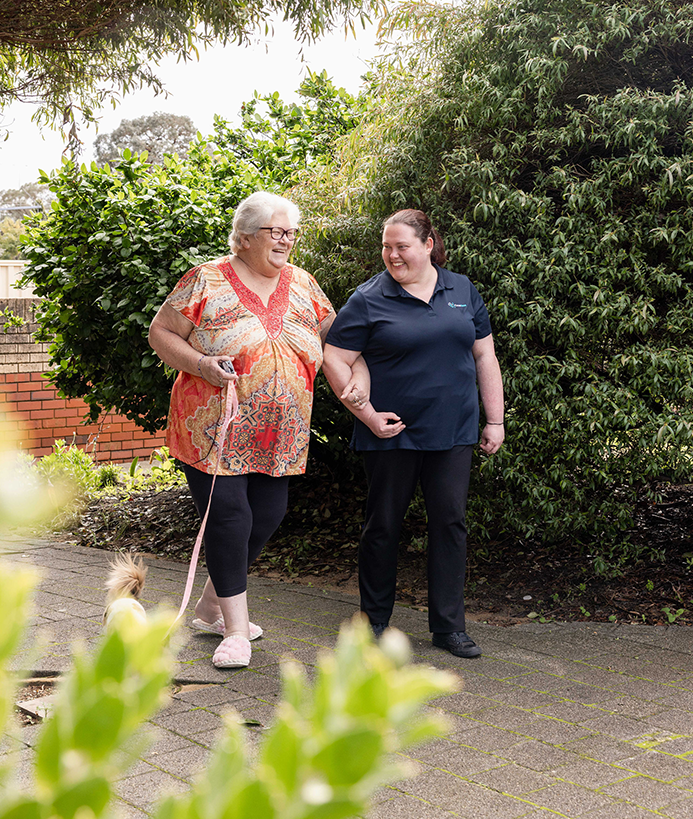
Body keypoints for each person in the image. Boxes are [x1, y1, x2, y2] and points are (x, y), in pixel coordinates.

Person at [148, 191, 364, 669]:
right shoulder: (205, 279)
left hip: (280, 434)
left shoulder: (305, 284)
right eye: (277, 231)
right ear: (245, 237)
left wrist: (363, 382)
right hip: (212, 430)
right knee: (230, 517)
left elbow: (338, 342)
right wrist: (202, 363)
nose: (287, 240)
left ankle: (210, 605)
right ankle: (236, 631)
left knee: (267, 515)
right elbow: (160, 332)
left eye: (291, 232)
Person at [322, 209, 504, 659]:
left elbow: (485, 357)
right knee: (383, 526)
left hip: (454, 431)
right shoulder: (368, 298)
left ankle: (449, 627)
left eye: (401, 246)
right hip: (391, 433)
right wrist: (366, 415)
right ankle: (375, 622)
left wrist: (495, 420)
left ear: (428, 244)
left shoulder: (461, 289)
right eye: (386, 246)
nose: (392, 255)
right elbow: (333, 358)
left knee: (450, 525)